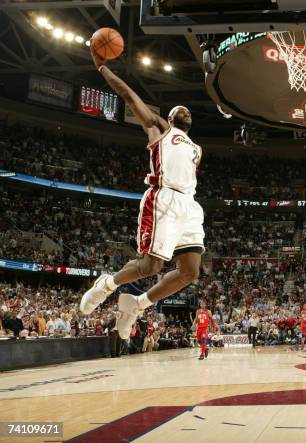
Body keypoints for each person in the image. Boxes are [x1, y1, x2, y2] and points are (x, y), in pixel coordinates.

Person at [79, 45, 205, 340]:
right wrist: (102, 67)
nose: (184, 110)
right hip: (164, 197)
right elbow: (127, 95)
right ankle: (106, 285)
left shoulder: (197, 149)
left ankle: (138, 304)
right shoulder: (158, 131)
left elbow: (185, 157)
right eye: (177, 111)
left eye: (186, 111)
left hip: (189, 205)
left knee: (190, 272)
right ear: (170, 119)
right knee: (151, 266)